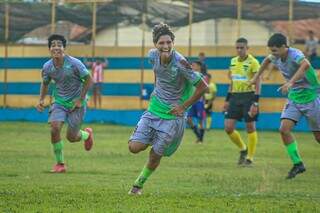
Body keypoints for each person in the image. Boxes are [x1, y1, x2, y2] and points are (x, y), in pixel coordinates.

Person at [127, 23, 207, 195]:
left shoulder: (181, 63)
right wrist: (157, 87)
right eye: (161, 43)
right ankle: (152, 137)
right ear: (155, 44)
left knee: (156, 155)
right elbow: (157, 72)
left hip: (172, 115)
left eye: (169, 42)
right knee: (134, 147)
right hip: (154, 109)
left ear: (173, 42)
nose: (165, 46)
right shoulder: (152, 56)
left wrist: (183, 107)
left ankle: (138, 185)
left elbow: (202, 86)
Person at [250, 33, 320, 179]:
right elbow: (266, 61)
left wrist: (290, 82)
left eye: (274, 50)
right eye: (271, 50)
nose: (272, 53)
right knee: (283, 129)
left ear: (284, 47)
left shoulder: (295, 54)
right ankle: (298, 164)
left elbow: (306, 64)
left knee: (318, 137)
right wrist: (256, 77)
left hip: (312, 96)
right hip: (294, 97)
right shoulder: (275, 56)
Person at [36, 34, 94, 173]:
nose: (56, 47)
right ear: (49, 49)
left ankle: (86, 135)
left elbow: (88, 79)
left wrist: (80, 99)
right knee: (55, 128)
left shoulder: (75, 63)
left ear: (64, 48)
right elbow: (45, 83)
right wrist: (41, 100)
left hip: (77, 103)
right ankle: (60, 164)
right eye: (53, 45)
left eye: (59, 45)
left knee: (71, 137)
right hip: (59, 102)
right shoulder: (47, 66)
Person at [224, 37, 261, 166]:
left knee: (250, 127)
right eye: (237, 48)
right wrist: (227, 99)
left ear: (247, 48)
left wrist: (255, 102)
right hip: (235, 97)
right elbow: (232, 81)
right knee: (228, 128)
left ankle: (250, 158)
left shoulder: (254, 62)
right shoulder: (233, 61)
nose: (239, 50)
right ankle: (243, 149)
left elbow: (258, 82)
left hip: (249, 97)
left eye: (242, 48)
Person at [187, 61, 206, 143]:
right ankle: (198, 136)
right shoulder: (190, 75)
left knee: (200, 120)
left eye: (193, 65)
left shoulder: (201, 76)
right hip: (191, 101)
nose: (192, 66)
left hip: (199, 101)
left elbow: (204, 88)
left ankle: (201, 138)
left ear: (199, 67)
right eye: (191, 65)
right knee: (188, 119)